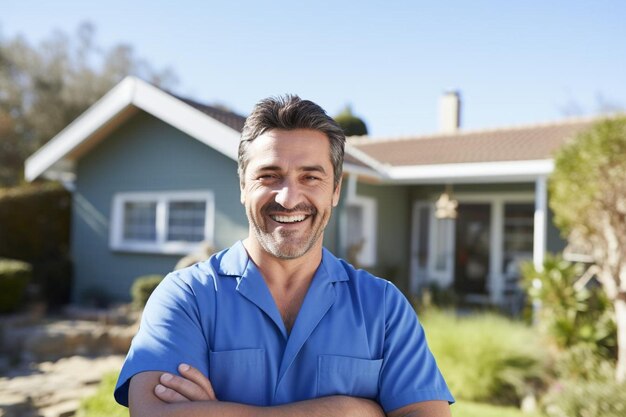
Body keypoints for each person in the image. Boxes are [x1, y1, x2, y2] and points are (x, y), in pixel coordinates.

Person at [114, 95, 454, 417]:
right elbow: (152, 412)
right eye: (269, 176)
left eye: (310, 177)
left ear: (335, 190)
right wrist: (344, 411)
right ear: (243, 187)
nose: (289, 199)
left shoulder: (383, 307)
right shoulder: (186, 297)